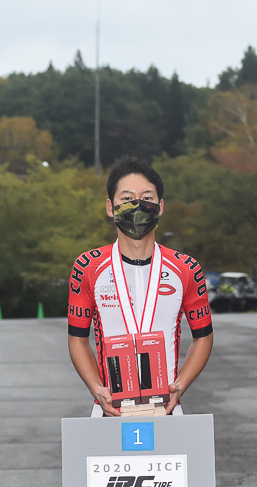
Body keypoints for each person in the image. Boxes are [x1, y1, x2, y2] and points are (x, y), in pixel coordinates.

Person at [67, 156, 213, 416]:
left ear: (161, 206)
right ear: (110, 207)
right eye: (127, 198)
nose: (138, 205)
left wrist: (180, 386)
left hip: (167, 407)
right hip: (109, 408)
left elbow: (203, 336)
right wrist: (96, 388)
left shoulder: (186, 268)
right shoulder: (88, 267)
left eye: (147, 198)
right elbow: (78, 339)